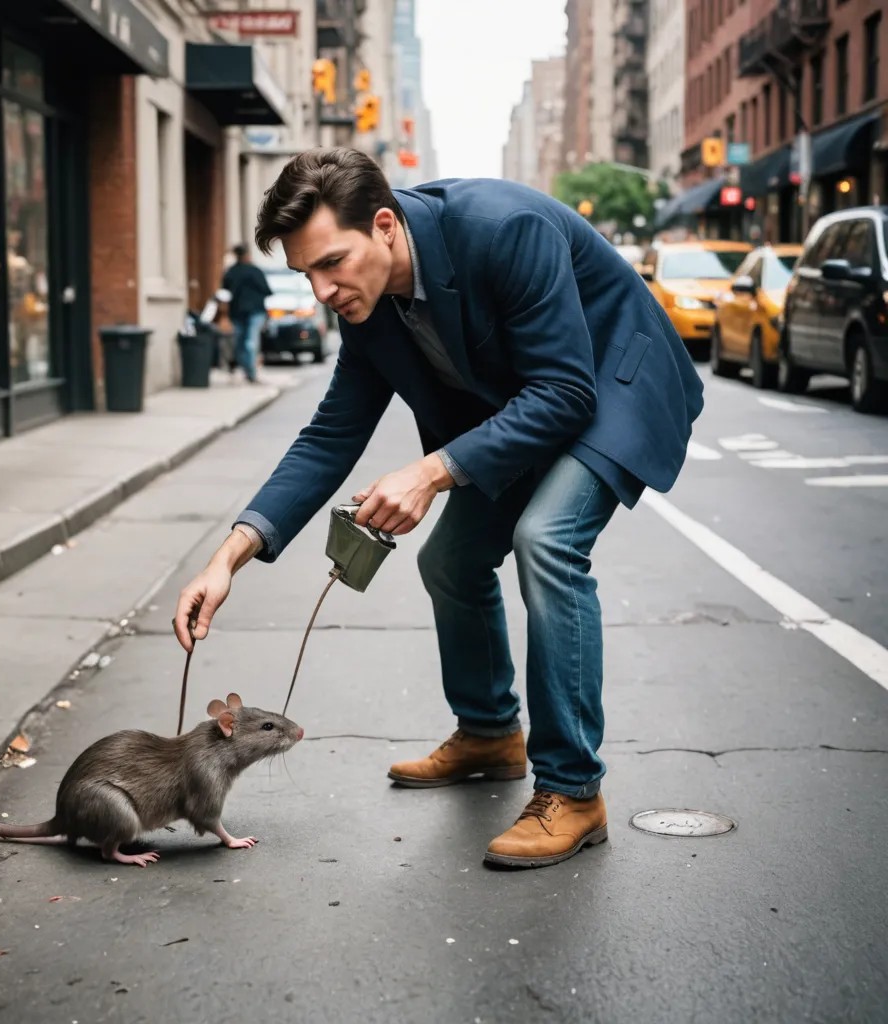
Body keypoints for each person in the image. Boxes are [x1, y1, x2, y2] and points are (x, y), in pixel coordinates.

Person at [175, 148, 704, 869]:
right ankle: (490, 733)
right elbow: (330, 435)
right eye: (307, 275)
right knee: (450, 559)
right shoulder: (364, 306)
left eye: (332, 263)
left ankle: (575, 791)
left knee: (546, 539)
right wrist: (226, 557)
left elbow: (567, 393)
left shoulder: (502, 228)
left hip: (612, 384)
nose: (323, 290)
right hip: (527, 403)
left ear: (386, 226)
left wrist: (432, 471)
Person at [221, 243, 271, 383]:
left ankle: (249, 371)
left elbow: (225, 292)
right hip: (255, 311)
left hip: (237, 312)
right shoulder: (255, 271)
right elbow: (267, 290)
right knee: (250, 341)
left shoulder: (231, 272)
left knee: (241, 342)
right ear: (247, 255)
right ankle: (251, 373)